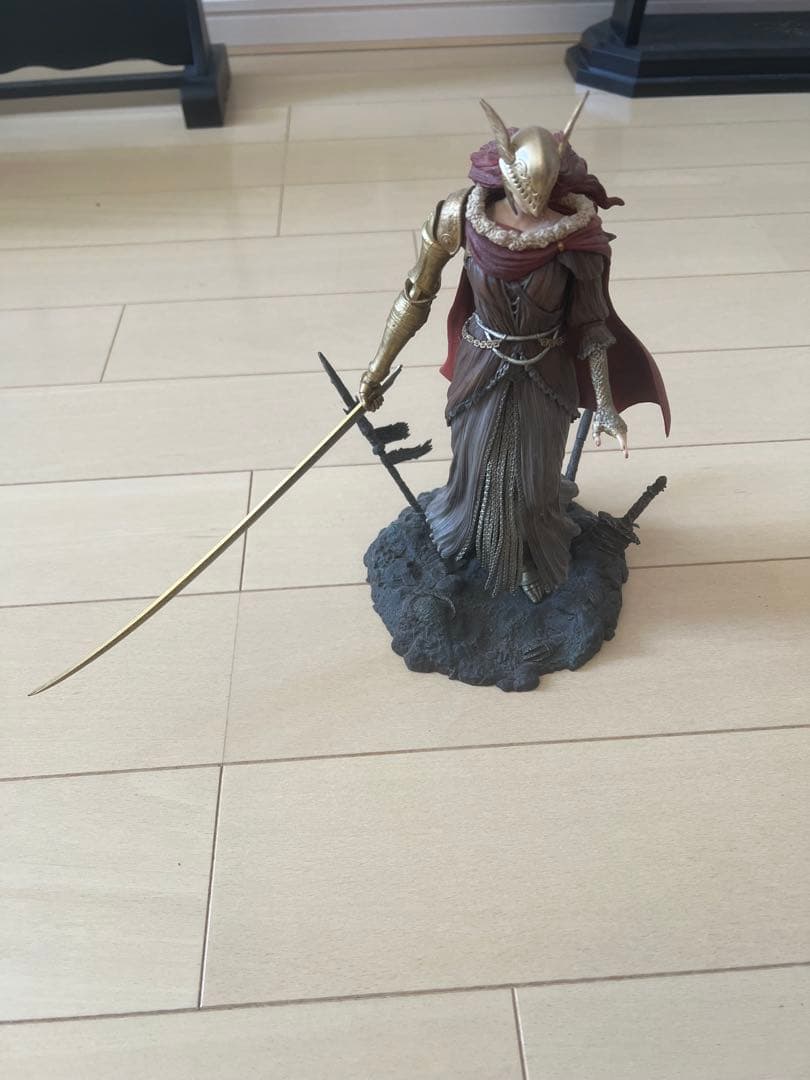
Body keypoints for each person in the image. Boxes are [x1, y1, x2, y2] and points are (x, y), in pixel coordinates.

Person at [359, 97, 669, 602]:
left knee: (533, 470)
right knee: (475, 459)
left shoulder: (575, 237)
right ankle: (469, 537)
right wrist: (376, 369)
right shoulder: (460, 214)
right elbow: (417, 293)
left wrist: (605, 404)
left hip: (546, 369)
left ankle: (529, 553)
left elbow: (592, 326)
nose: (533, 206)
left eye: (542, 194)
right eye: (525, 194)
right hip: (481, 362)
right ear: (505, 173)